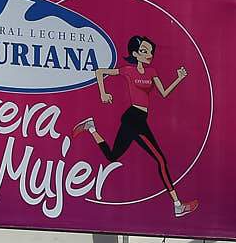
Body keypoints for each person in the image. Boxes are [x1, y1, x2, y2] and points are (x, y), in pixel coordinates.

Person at [75, 34, 197, 218]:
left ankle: (91, 127)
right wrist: (103, 93)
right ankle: (177, 205)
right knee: (161, 160)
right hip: (134, 118)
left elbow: (163, 93)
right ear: (135, 53)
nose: (149, 54)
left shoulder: (152, 72)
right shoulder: (128, 71)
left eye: (150, 51)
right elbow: (100, 72)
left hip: (138, 119)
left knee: (112, 156)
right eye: (144, 51)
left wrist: (178, 78)